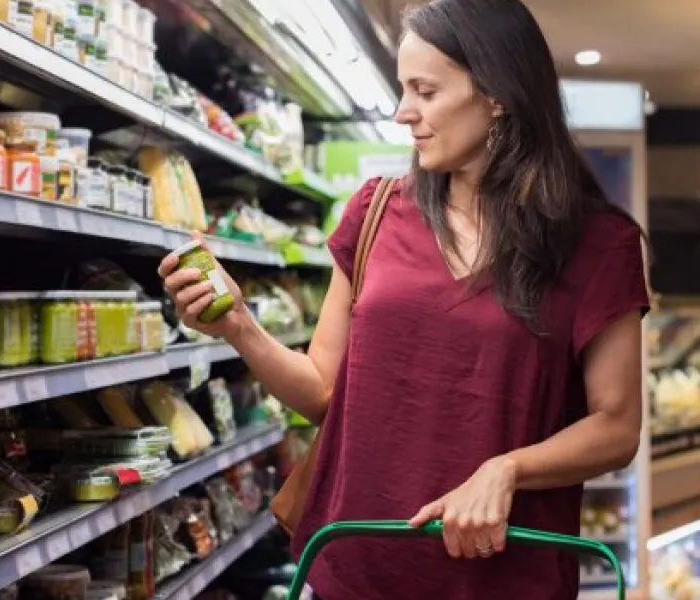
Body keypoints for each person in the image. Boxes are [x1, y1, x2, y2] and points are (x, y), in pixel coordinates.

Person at [158, 0, 648, 597]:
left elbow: (617, 428)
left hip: (506, 580)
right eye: (402, 89)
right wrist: (241, 327)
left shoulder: (599, 243)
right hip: (356, 568)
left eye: (425, 91)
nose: (402, 113)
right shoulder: (375, 212)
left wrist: (508, 468)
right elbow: (322, 392)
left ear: (498, 95)